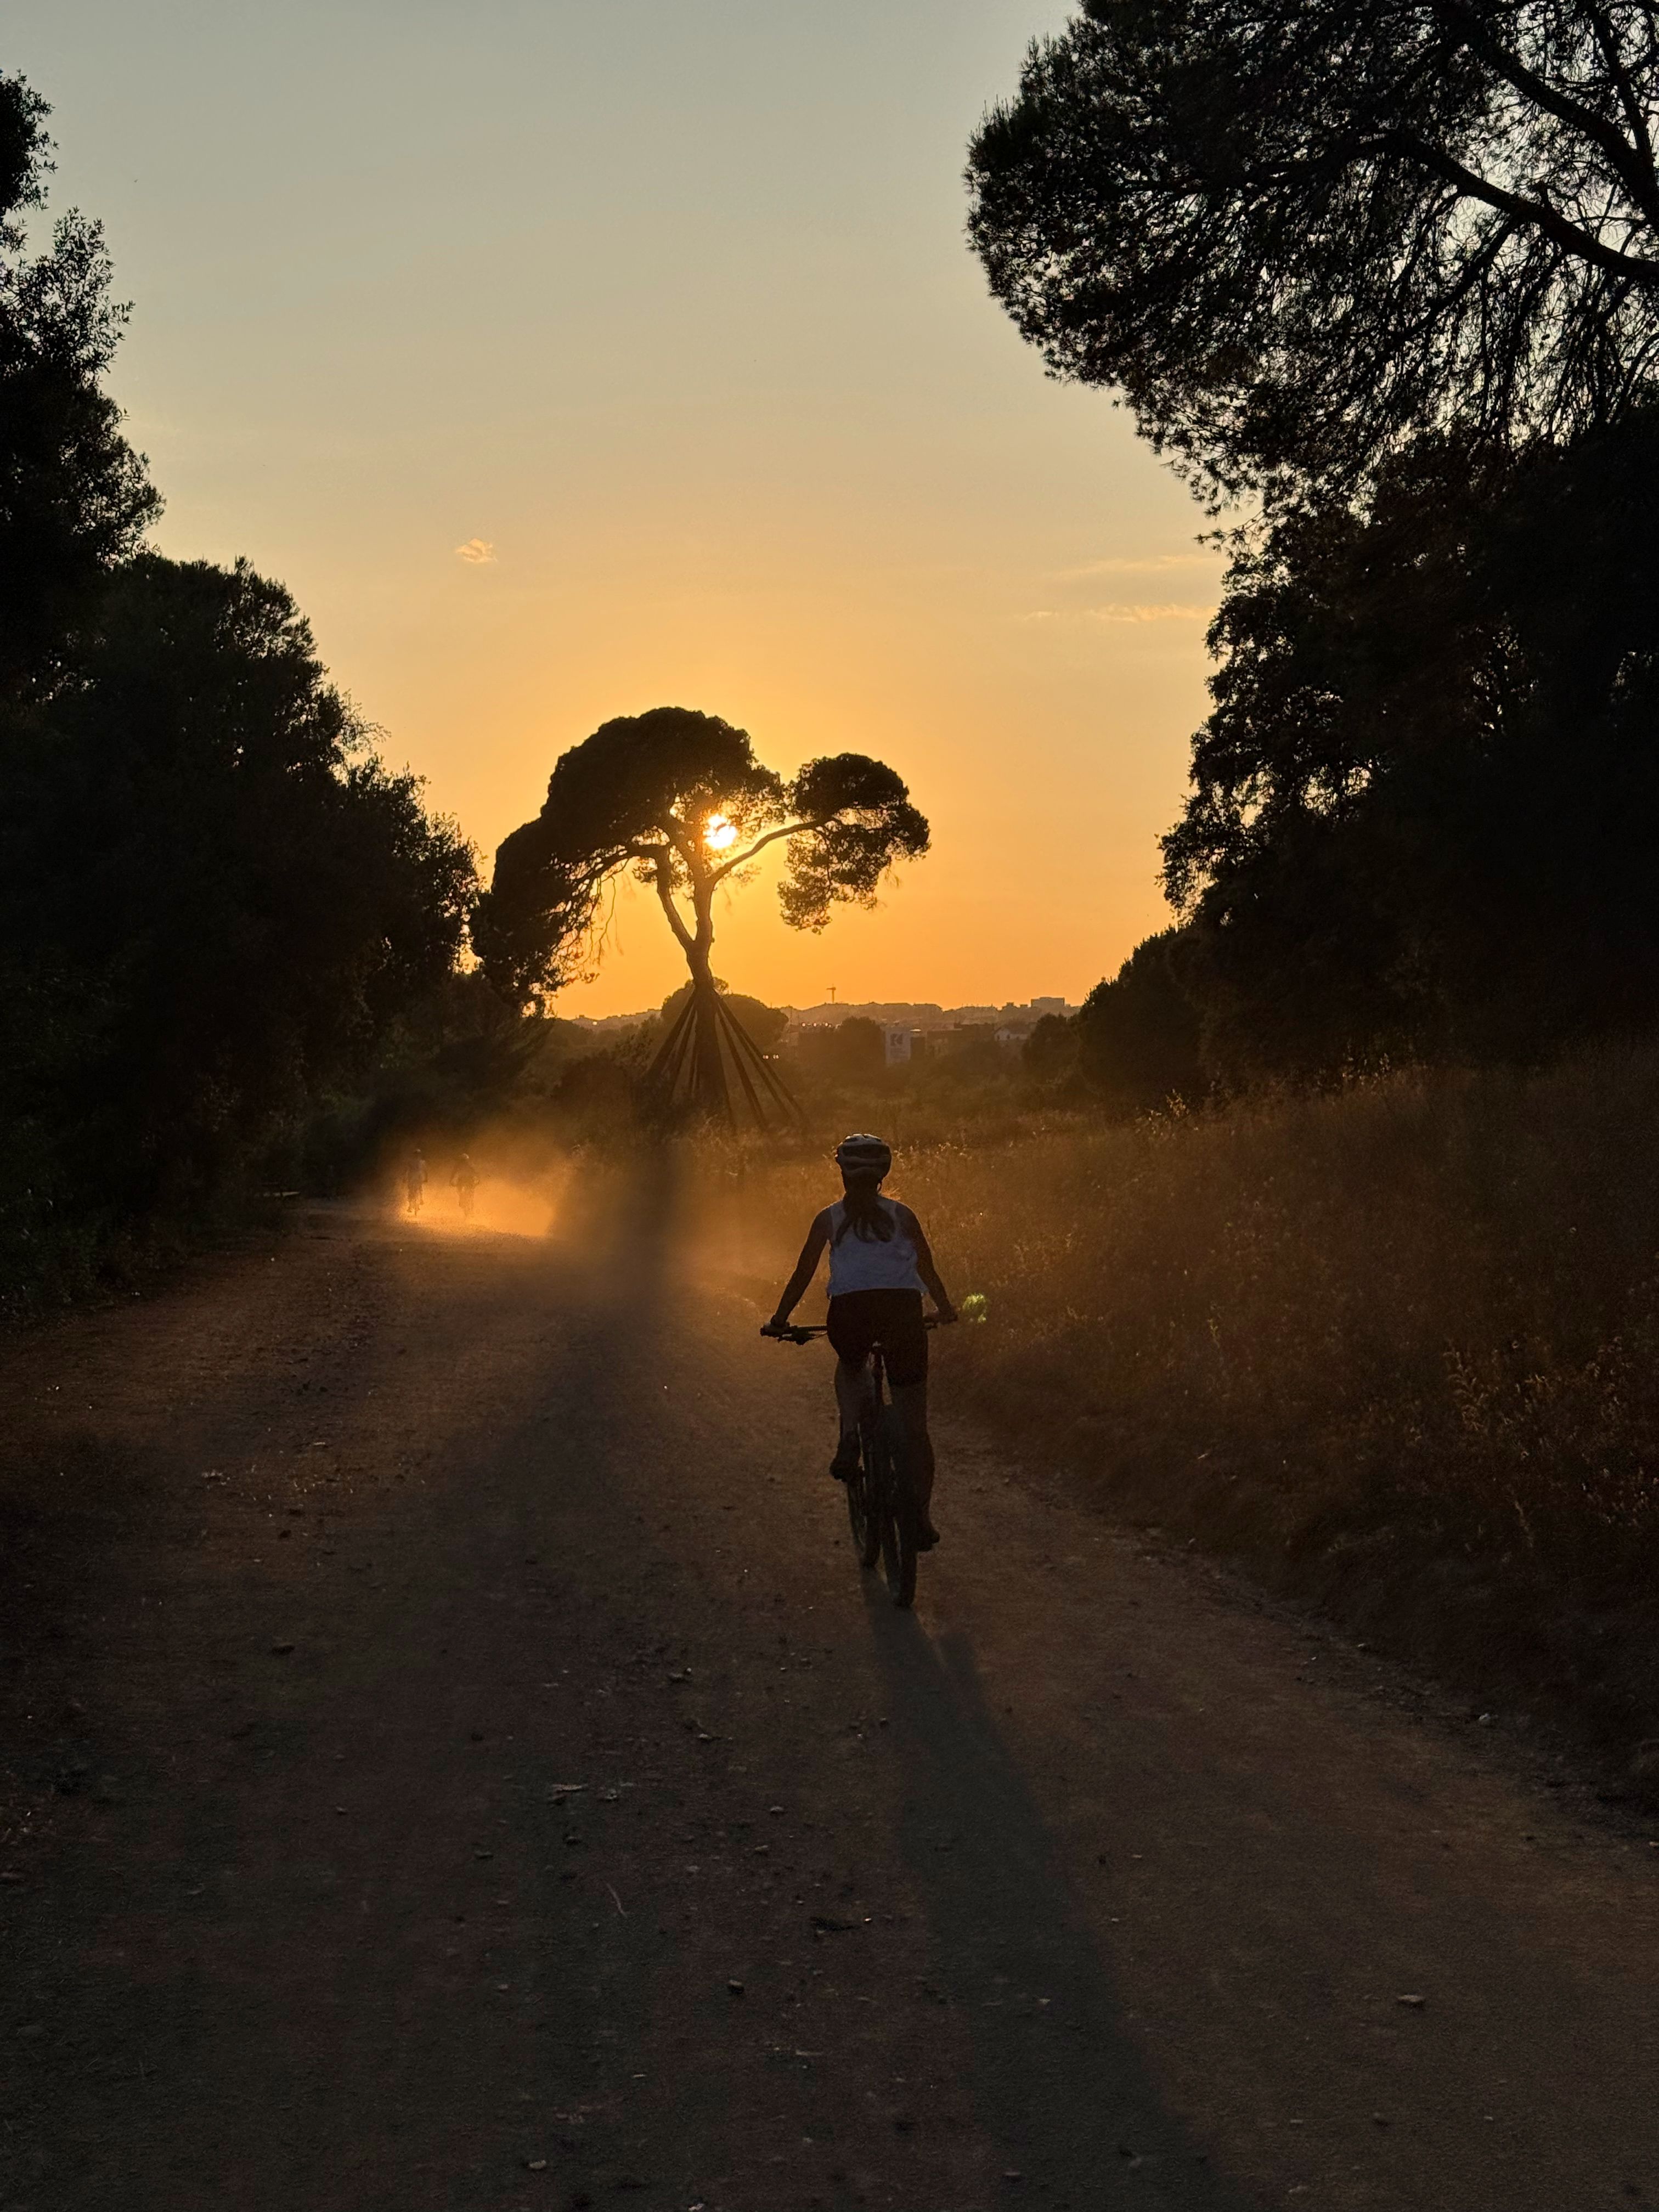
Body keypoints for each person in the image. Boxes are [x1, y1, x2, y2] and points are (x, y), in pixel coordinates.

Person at [767, 1133, 956, 1548]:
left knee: (851, 1365)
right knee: (915, 1429)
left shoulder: (828, 1218)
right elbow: (926, 1267)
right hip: (903, 1314)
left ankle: (851, 1435)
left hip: (850, 1314)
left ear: (842, 1173)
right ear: (884, 1174)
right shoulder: (904, 1215)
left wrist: (780, 1319)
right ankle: (920, 1518)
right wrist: (944, 1308)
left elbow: (803, 1274)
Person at [451, 1151, 478, 1219]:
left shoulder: (466, 1165)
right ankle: (465, 1203)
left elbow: (476, 1173)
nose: (464, 1163)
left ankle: (469, 1208)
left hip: (468, 1181)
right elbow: (476, 1173)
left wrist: (451, 1180)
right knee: (465, 1194)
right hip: (465, 1181)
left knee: (470, 1196)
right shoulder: (468, 1165)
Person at [404, 1148, 427, 1217]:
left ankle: (410, 1206)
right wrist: (426, 1178)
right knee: (419, 1188)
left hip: (412, 1177)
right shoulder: (422, 1162)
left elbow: (407, 1170)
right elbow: (425, 1171)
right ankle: (420, 1200)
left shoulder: (410, 1161)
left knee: (411, 1190)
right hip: (418, 1177)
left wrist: (405, 1178)